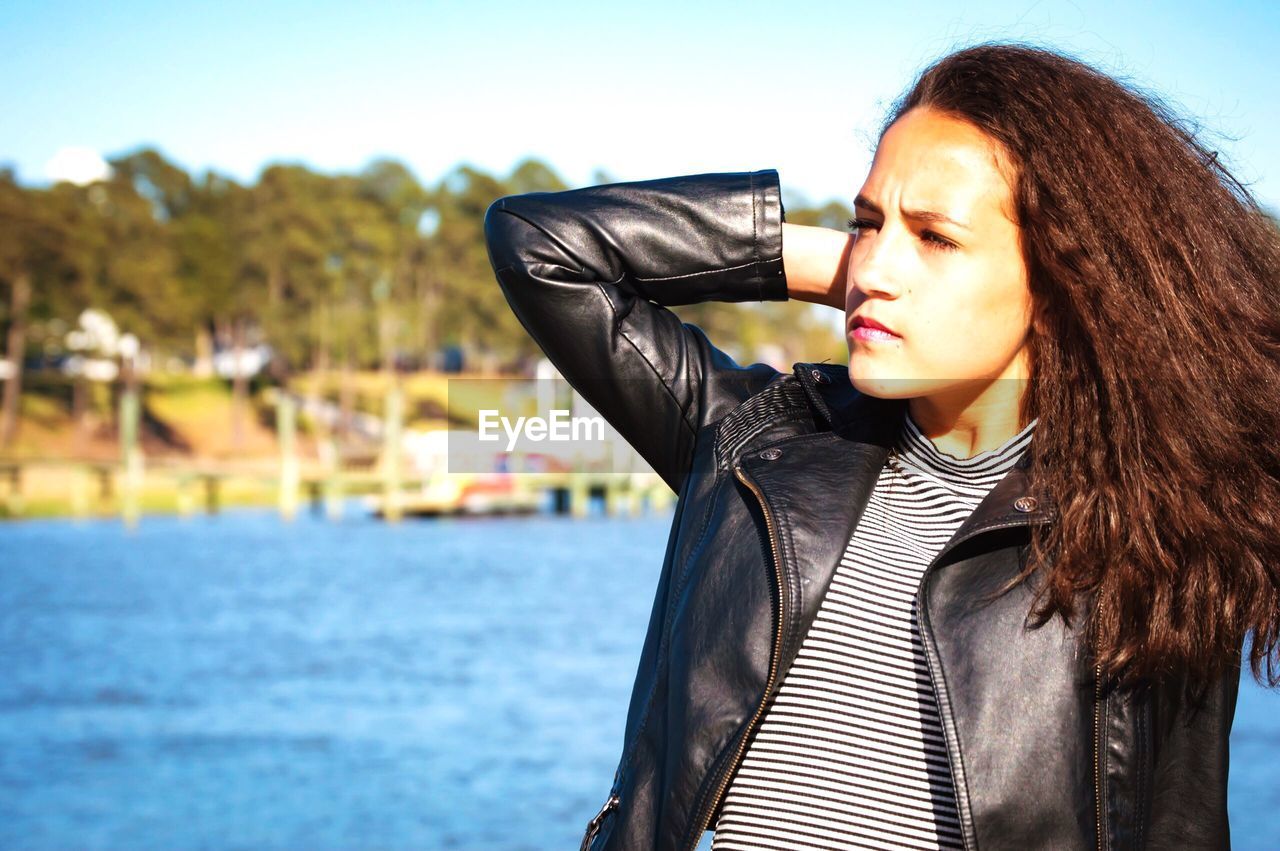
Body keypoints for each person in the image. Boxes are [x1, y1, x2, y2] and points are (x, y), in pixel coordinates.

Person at [483, 42, 1279, 851]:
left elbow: (1179, 828)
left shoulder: (1155, 533)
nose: (880, 265)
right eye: (869, 221)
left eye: (936, 238)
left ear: (1062, 281)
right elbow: (541, 246)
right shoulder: (758, 442)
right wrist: (842, 266)